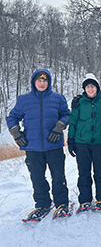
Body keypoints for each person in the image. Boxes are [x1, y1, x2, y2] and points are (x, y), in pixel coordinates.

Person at [7, 69, 71, 221]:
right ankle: (42, 205)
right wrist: (16, 133)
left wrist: (59, 127)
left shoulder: (58, 98)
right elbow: (12, 117)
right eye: (39, 80)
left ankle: (62, 204)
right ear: (33, 82)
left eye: (45, 80)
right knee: (37, 177)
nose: (42, 83)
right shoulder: (24, 100)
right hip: (32, 147)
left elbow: (66, 114)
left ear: (48, 82)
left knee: (58, 176)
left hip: (54, 145)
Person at [68, 73, 101, 213]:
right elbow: (73, 122)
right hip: (82, 143)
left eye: (92, 86)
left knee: (100, 172)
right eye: (87, 87)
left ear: (97, 88)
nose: (90, 89)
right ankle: (85, 200)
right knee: (84, 173)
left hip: (99, 142)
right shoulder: (78, 103)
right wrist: (71, 140)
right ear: (84, 89)